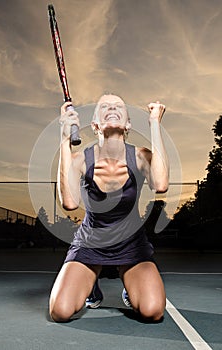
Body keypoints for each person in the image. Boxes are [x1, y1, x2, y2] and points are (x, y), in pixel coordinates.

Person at [49, 94, 169, 323]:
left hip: (131, 245)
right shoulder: (80, 159)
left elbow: (161, 185)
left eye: (118, 106)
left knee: (152, 311)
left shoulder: (141, 156)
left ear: (128, 124)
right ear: (95, 125)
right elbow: (70, 203)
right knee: (60, 311)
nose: (112, 107)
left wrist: (155, 124)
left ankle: (129, 285)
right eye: (104, 107)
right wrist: (64, 137)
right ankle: (91, 284)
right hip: (91, 243)